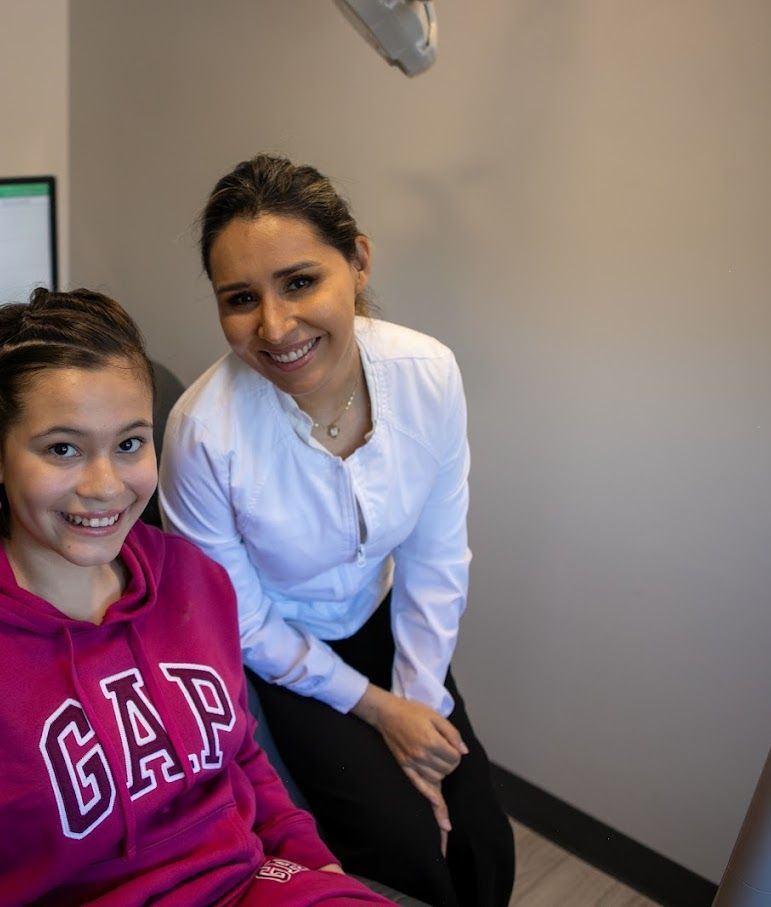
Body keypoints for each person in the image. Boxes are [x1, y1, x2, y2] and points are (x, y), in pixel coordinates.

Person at [0, 288, 396, 905]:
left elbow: (241, 760)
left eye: (129, 444)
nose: (105, 488)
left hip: (251, 886)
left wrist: (317, 868)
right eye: (62, 449)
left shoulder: (193, 581)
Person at [159, 156, 515, 906]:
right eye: (240, 298)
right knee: (407, 854)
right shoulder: (202, 434)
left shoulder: (427, 373)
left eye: (299, 281)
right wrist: (378, 708)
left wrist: (417, 703)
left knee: (482, 843)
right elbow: (241, 618)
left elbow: (435, 552)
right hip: (275, 656)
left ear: (356, 261)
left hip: (386, 624)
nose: (275, 326)